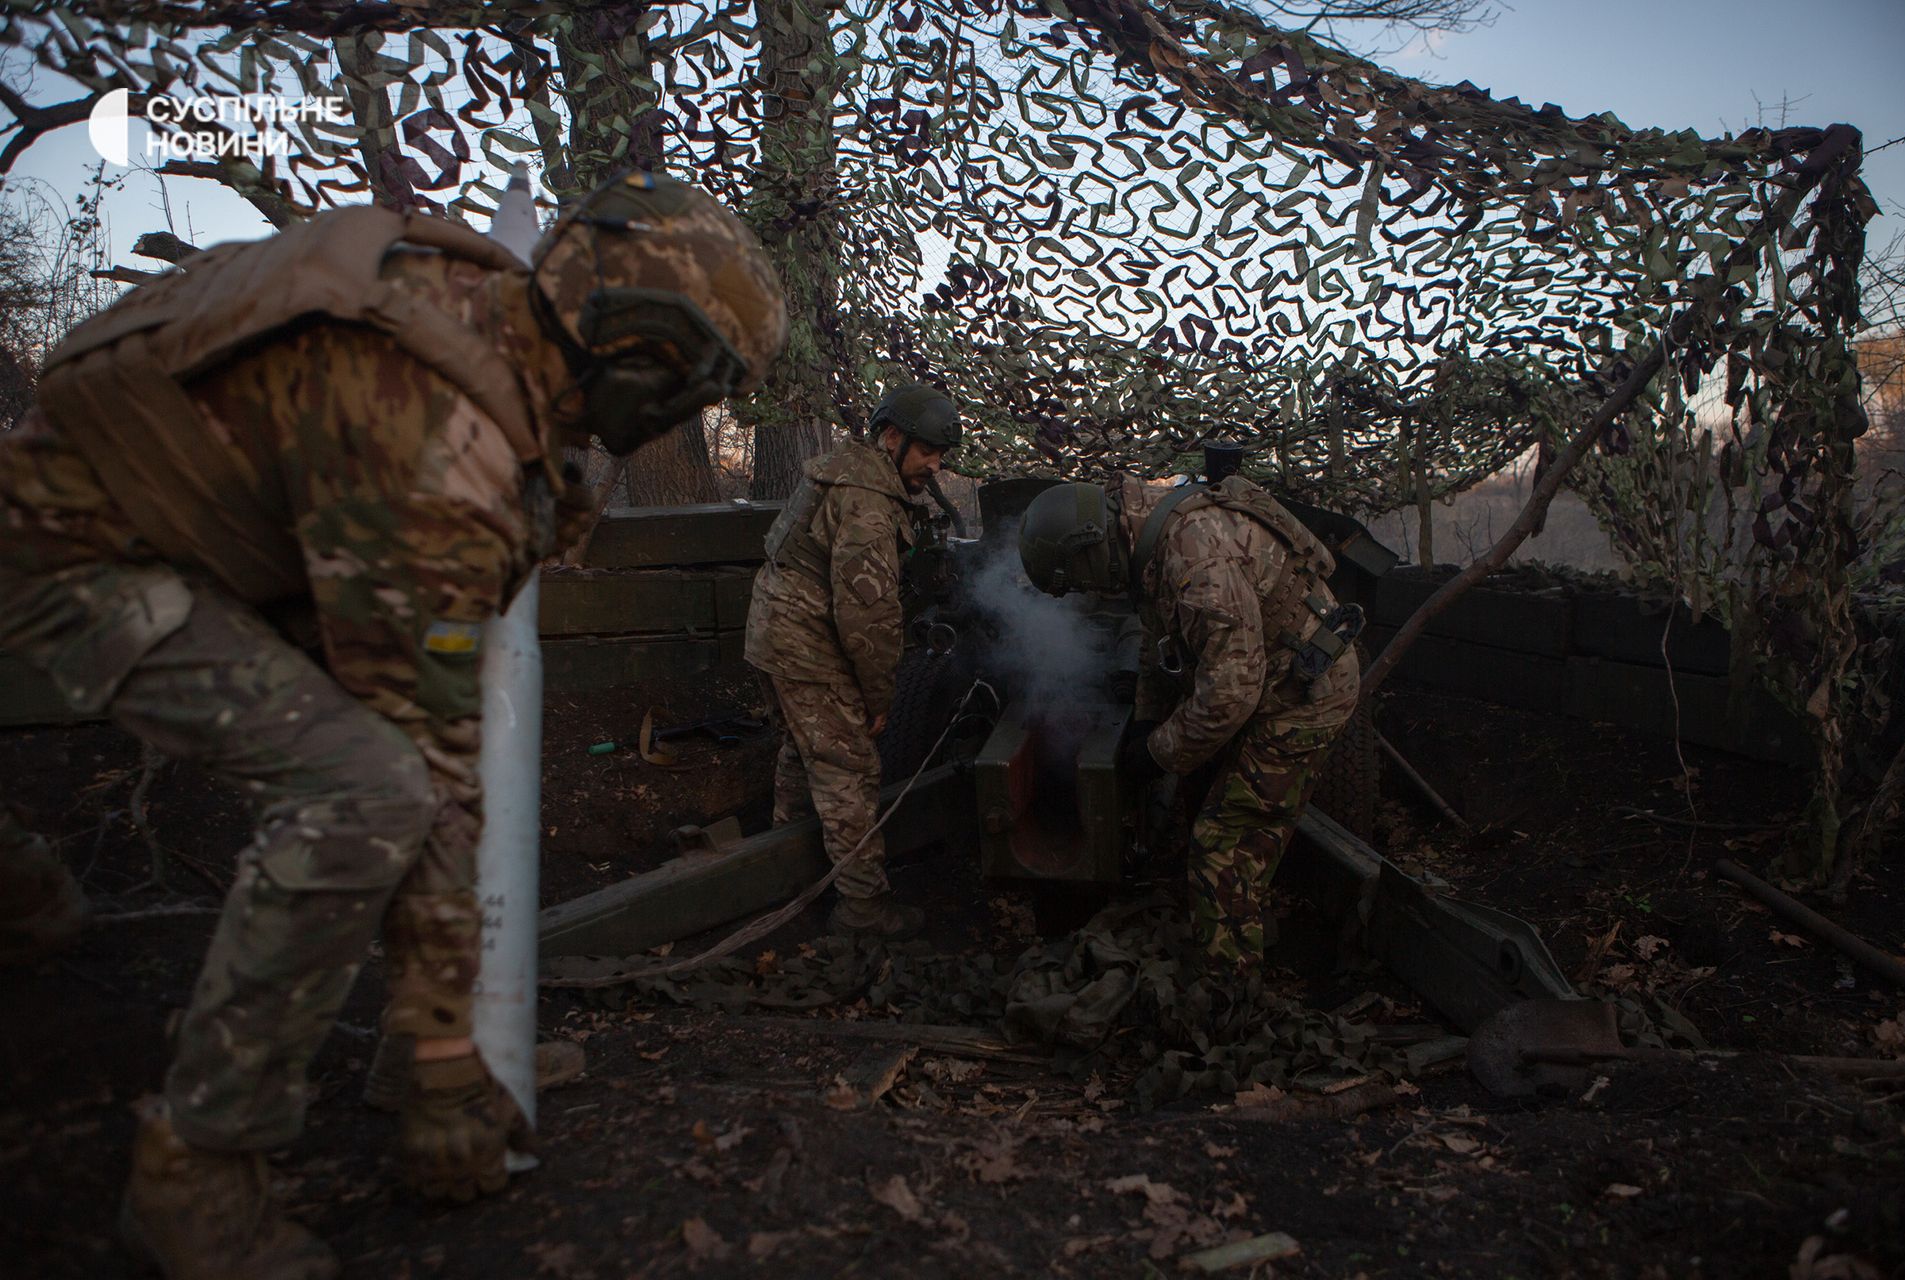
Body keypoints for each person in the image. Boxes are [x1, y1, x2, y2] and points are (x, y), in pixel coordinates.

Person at [0, 169, 787, 1278]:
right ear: (639, 345)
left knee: (397, 772)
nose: (686, 410)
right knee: (363, 789)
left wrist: (441, 1046)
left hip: (201, 529)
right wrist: (444, 1059)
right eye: (694, 381)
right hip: (76, 551)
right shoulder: (431, 442)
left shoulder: (488, 329)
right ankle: (196, 1173)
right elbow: (424, 760)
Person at [1016, 472, 1361, 978]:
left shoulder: (1196, 557)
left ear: (1090, 550)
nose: (1093, 593)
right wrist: (1148, 718)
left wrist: (1157, 753)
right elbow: (1161, 642)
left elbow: (1229, 695)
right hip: (1264, 675)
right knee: (1208, 795)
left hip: (1301, 696)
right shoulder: (1150, 532)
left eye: (1085, 581)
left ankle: (1230, 990)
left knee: (1222, 844)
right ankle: (1239, 917)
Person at [745, 383, 963, 937]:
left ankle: (781, 869)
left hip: (776, 633)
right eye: (928, 452)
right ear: (893, 437)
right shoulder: (866, 499)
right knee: (849, 770)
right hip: (805, 643)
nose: (935, 465)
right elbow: (869, 619)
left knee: (804, 748)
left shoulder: (846, 469)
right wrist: (879, 697)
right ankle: (863, 911)